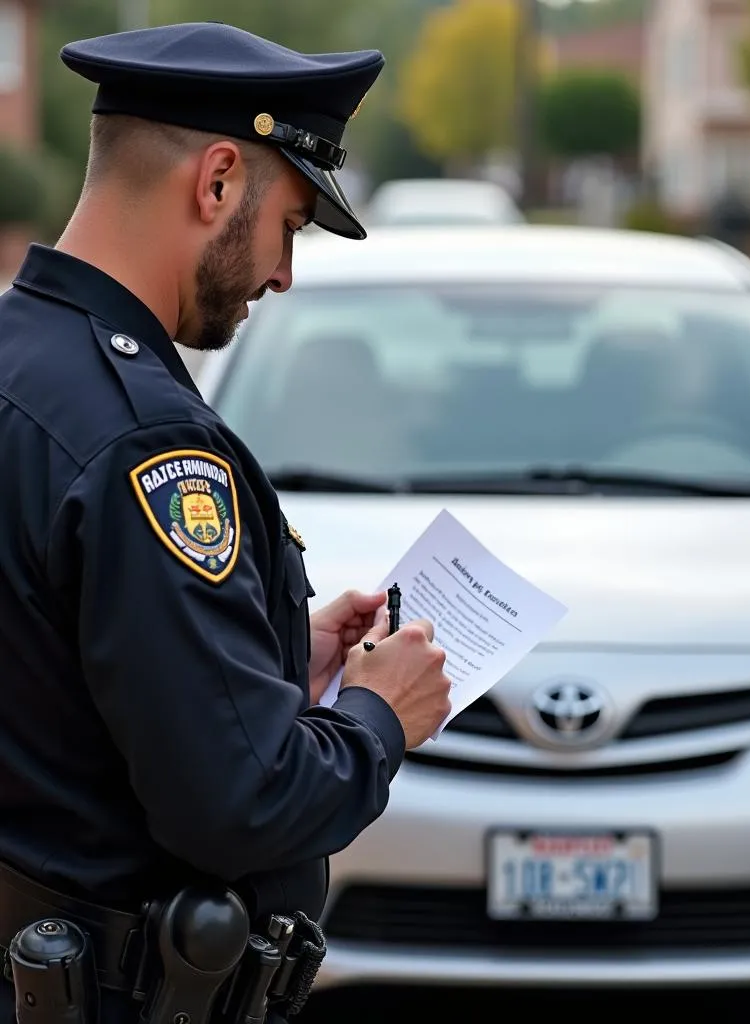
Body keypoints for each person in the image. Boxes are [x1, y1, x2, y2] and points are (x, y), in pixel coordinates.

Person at [0, 20, 452, 1024]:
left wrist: (280, 659)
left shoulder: (20, 360)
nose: (285, 273)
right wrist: (379, 715)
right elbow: (241, 804)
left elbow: (61, 677)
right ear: (214, 184)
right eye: (289, 223)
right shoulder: (144, 444)